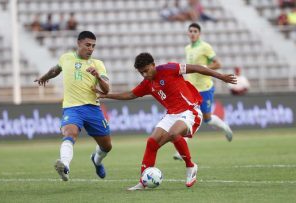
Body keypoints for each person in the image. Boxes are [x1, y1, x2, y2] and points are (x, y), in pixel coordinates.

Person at [96, 52, 236, 190]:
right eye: (141, 73)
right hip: (172, 114)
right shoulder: (147, 83)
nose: (144, 75)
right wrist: (107, 95)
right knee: (152, 142)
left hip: (190, 110)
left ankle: (190, 166)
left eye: (146, 70)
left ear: (153, 65)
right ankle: (143, 182)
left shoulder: (169, 69)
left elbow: (196, 68)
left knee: (174, 133)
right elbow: (131, 94)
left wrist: (221, 76)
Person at [34, 31, 112, 181]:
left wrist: (96, 76)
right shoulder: (66, 58)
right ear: (78, 43)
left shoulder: (97, 64)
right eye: (87, 45)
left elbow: (107, 89)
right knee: (69, 133)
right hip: (72, 108)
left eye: (93, 46)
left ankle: (96, 160)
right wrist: (45, 76)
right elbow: (55, 70)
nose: (91, 49)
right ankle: (65, 166)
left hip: (92, 108)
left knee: (107, 146)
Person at [173, 23, 234, 160]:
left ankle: (225, 127)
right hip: (191, 89)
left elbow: (218, 64)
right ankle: (180, 151)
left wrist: (204, 67)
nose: (193, 33)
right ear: (188, 33)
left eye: (195, 31)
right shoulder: (187, 48)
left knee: (207, 118)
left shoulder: (205, 47)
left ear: (199, 33)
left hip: (205, 88)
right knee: (188, 116)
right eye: (191, 31)